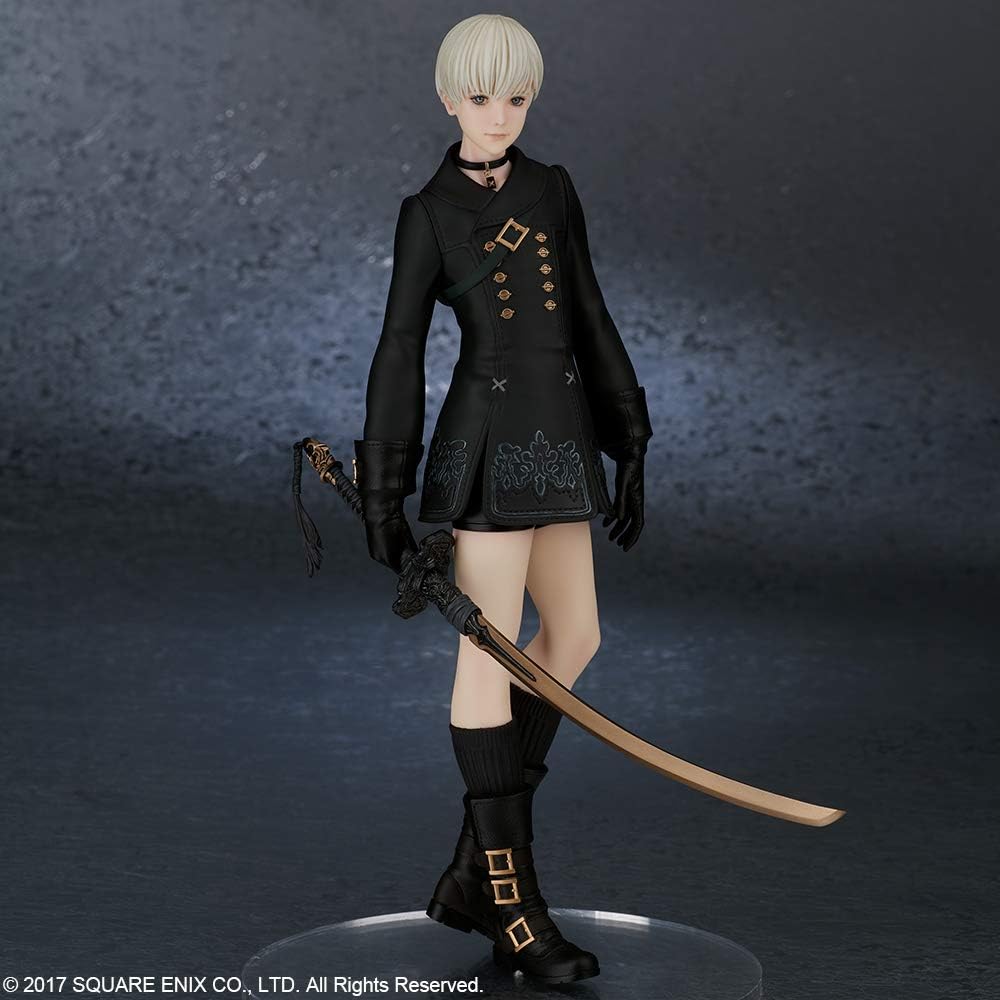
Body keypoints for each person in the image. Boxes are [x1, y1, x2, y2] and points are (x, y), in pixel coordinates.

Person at [353, 13, 652, 986]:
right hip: (484, 447)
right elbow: (399, 349)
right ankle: (511, 899)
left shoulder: (552, 188)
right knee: (489, 648)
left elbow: (589, 307)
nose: (498, 115)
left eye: (515, 97)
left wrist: (629, 434)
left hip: (559, 435)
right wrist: (383, 487)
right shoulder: (428, 212)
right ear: (449, 98)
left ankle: (470, 868)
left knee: (575, 637)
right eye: (481, 97)